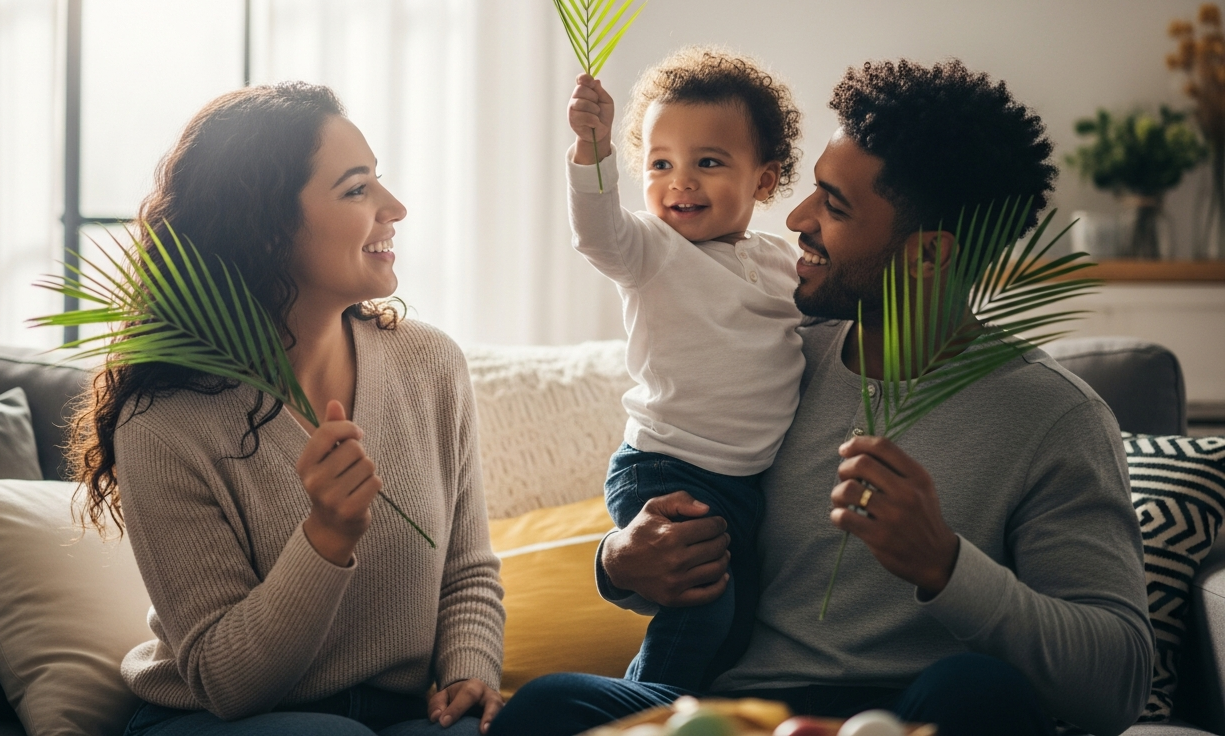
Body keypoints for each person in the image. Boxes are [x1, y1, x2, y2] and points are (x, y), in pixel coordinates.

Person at [492, 60, 1154, 736]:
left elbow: (1119, 683)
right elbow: (681, 509)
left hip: (907, 718)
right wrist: (620, 562)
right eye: (813, 191)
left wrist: (945, 565)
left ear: (928, 256)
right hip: (742, 715)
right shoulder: (774, 350)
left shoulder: (1054, 417)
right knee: (547, 709)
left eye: (834, 206)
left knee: (980, 692)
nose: (799, 217)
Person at [67, 83, 506, 736]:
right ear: (268, 228)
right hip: (228, 721)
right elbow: (224, 679)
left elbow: (467, 569)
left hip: (399, 718)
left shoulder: (431, 365)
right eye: (357, 190)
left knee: (556, 708)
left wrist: (472, 672)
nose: (396, 207)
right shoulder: (163, 423)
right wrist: (325, 538)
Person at [565, 48, 806, 689]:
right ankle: (650, 707)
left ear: (763, 179)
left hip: (746, 487)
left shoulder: (781, 264)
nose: (681, 182)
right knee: (702, 608)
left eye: (708, 162)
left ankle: (695, 707)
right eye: (660, 163)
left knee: (737, 623)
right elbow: (597, 233)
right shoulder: (653, 249)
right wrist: (594, 156)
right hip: (667, 467)